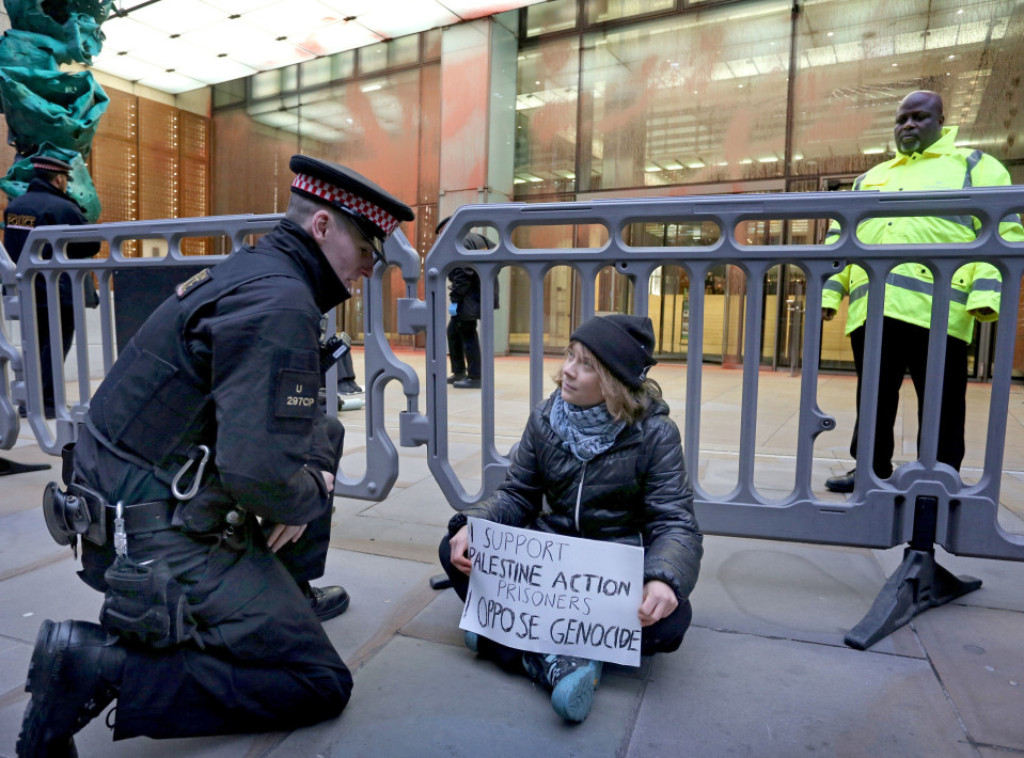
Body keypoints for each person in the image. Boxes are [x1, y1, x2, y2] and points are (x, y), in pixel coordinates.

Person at [17, 156, 414, 755]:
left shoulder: (255, 271)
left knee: (322, 436)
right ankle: (99, 666)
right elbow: (258, 475)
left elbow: (282, 425)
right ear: (322, 227)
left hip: (119, 502)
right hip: (153, 536)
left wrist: (301, 478)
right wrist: (310, 493)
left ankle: (280, 596)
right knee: (318, 681)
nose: (368, 266)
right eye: (364, 248)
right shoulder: (281, 302)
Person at [438, 314, 702, 723]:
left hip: (610, 576)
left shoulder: (655, 434)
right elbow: (517, 494)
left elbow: (675, 523)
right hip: (548, 568)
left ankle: (510, 642)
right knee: (454, 549)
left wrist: (663, 579)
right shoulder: (545, 418)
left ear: (614, 381)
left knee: (672, 621)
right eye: (570, 356)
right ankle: (564, 657)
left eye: (586, 364)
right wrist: (474, 525)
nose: (568, 371)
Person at [821, 90, 1024, 493]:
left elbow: (1004, 232)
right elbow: (840, 239)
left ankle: (938, 476)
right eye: (901, 119)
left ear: (942, 121)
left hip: (940, 309)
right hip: (873, 307)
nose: (908, 125)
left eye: (919, 117)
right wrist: (830, 294)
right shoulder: (869, 178)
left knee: (942, 402)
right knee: (873, 398)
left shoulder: (976, 166)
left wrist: (985, 296)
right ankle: (869, 472)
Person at [3, 155, 100, 418]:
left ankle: (29, 401)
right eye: (66, 179)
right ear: (58, 179)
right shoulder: (63, 208)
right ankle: (47, 403)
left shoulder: (16, 207)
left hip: (26, 288)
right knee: (55, 346)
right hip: (58, 289)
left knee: (33, 345)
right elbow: (91, 244)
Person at [437, 216, 497, 389]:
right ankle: (459, 372)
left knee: (467, 333)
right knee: (454, 331)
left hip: (468, 297)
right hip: (482, 293)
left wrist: (455, 299)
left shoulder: (460, 241)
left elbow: (463, 273)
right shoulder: (480, 239)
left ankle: (475, 376)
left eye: (442, 233)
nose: (441, 237)